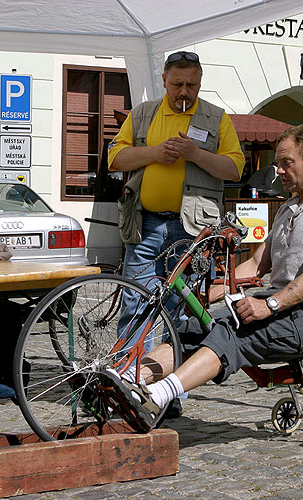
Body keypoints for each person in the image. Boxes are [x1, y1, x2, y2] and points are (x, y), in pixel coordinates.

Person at [97, 124, 303, 432]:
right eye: (278, 163)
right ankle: (129, 379)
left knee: (230, 332)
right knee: (192, 328)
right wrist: (213, 293)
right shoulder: (290, 207)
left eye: (286, 162)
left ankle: (158, 395)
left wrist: (270, 305)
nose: (278, 171)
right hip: (281, 304)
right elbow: (256, 265)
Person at [106, 51, 245, 418]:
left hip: (191, 230)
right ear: (164, 80)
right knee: (137, 303)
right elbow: (115, 158)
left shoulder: (216, 118)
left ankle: (165, 393)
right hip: (146, 223)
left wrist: (195, 154)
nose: (185, 91)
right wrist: (154, 153)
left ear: (200, 82)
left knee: (175, 312)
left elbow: (234, 168)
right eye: (178, 84)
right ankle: (124, 382)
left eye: (192, 85)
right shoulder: (144, 114)